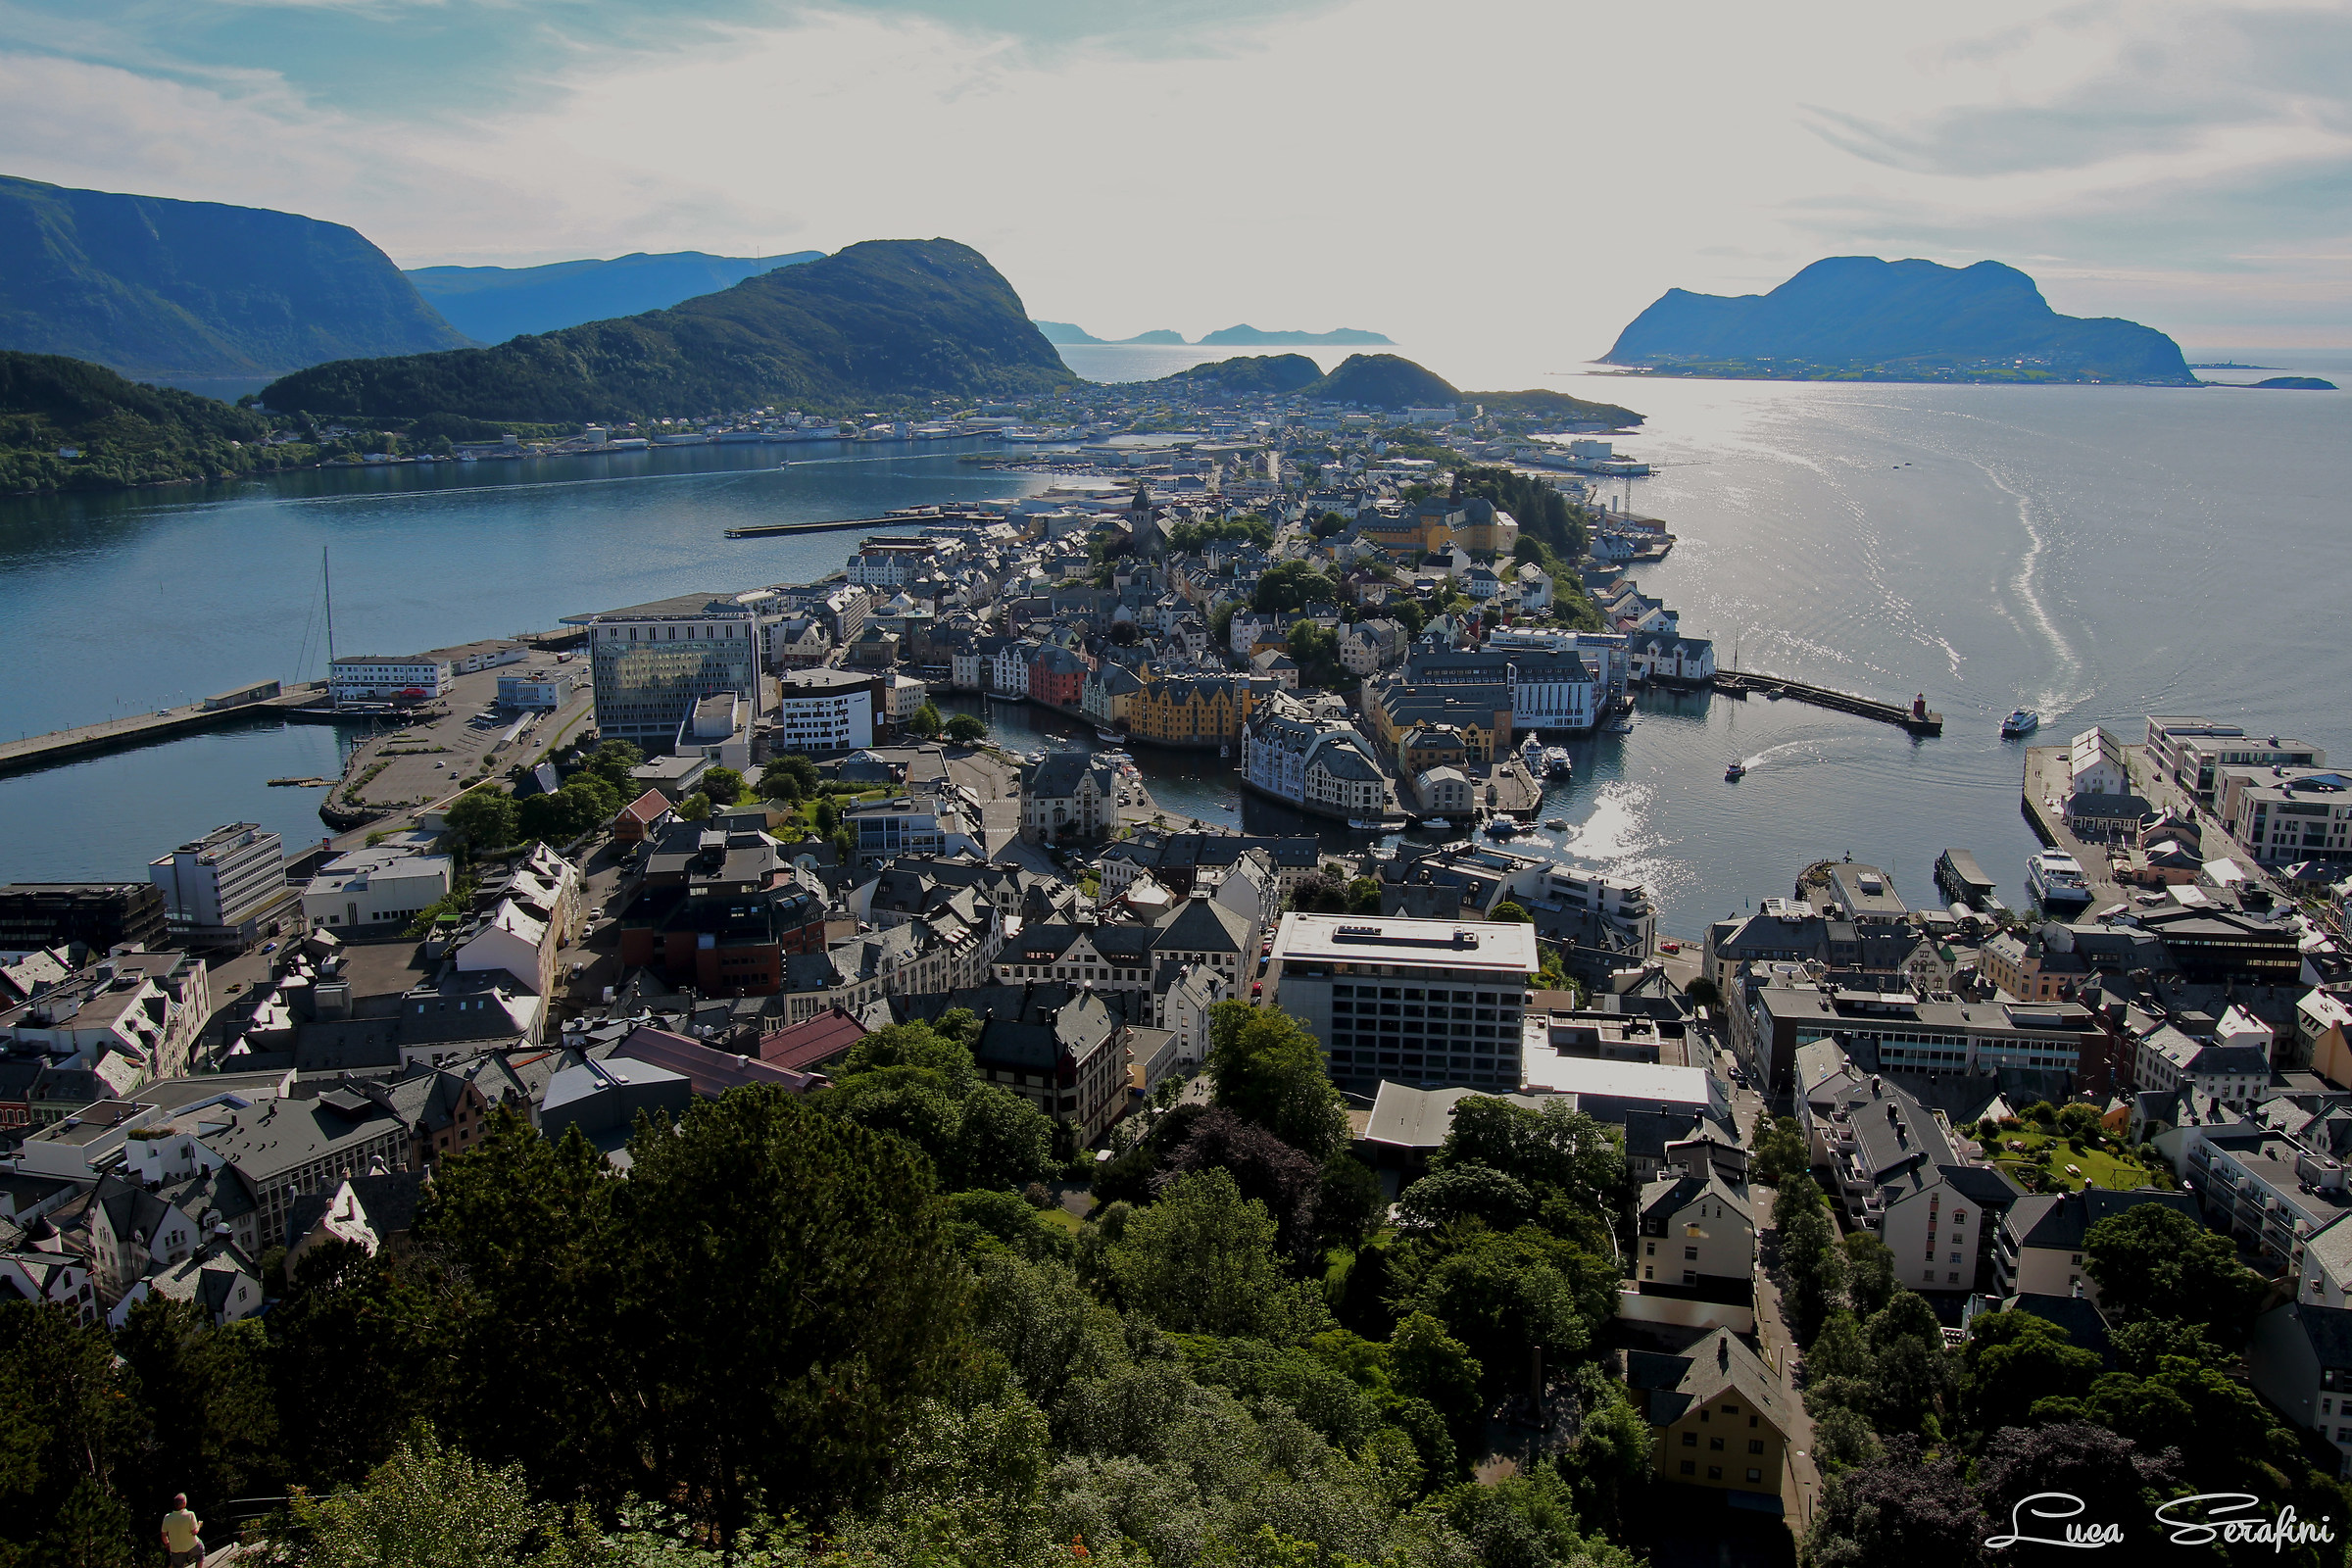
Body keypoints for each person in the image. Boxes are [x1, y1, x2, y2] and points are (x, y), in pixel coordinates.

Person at [161, 1494, 204, 1567]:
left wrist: (168, 1544)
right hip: (191, 1545)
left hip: (176, 1548)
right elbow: (195, 1531)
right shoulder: (190, 1514)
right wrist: (199, 1525)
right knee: (200, 1555)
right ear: (184, 1503)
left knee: (178, 1566)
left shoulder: (167, 1517)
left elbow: (163, 1535)